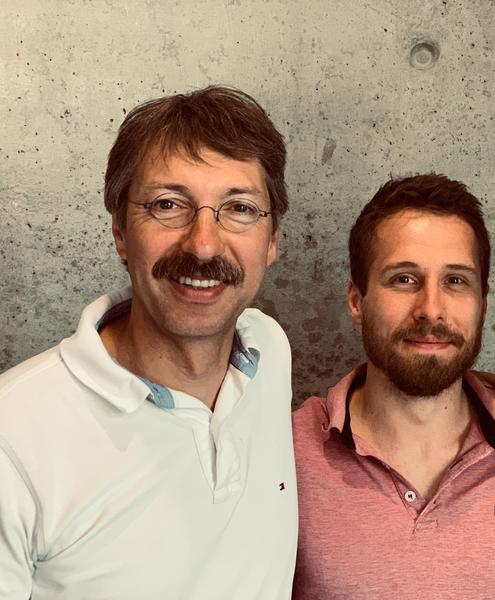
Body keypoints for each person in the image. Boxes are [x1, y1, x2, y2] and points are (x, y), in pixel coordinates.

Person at [0, 86, 297, 598]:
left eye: (240, 208)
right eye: (167, 204)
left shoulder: (268, 352)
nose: (203, 243)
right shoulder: (13, 438)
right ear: (119, 230)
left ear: (271, 241)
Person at [292, 174, 495, 599]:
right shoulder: (284, 452)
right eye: (404, 279)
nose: (431, 309)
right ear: (356, 300)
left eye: (456, 281)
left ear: (483, 302)